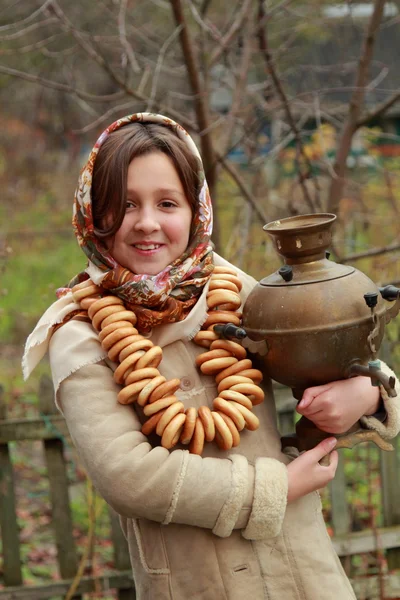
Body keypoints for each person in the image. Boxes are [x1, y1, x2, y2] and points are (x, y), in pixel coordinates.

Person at [23, 112, 400, 600]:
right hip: (192, 582)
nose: (147, 223)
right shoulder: (77, 334)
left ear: (196, 208)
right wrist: (275, 488)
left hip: (302, 572)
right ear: (93, 214)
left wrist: (366, 392)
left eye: (167, 203)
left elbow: (341, 359)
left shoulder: (240, 294)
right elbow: (128, 476)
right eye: (125, 204)